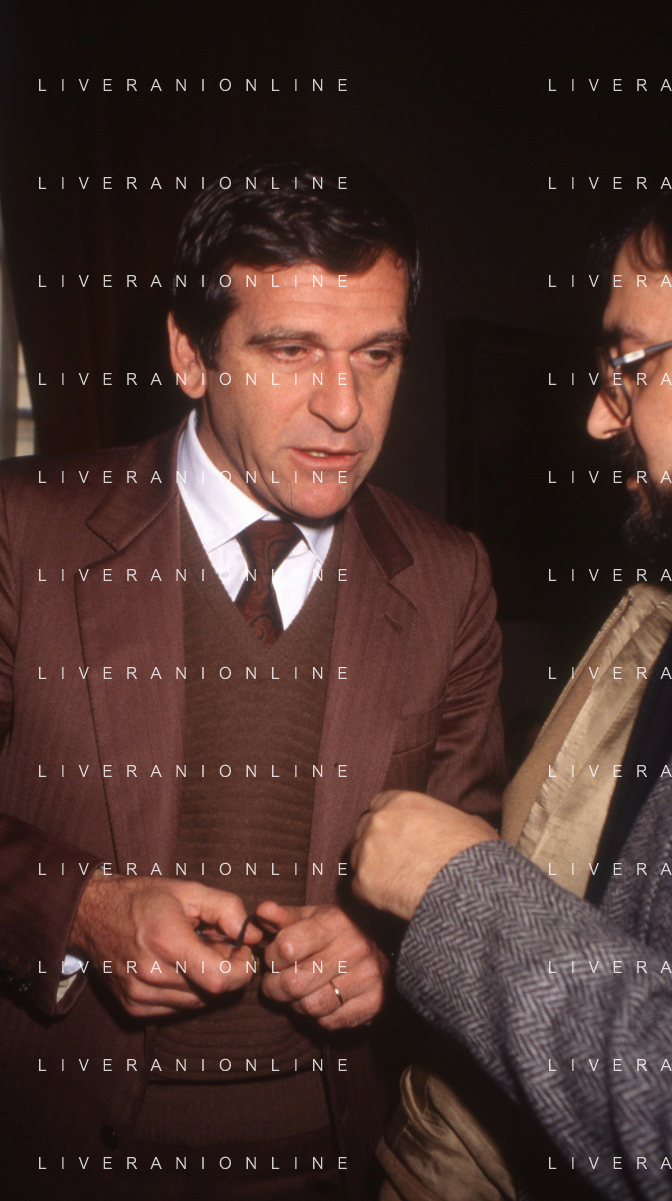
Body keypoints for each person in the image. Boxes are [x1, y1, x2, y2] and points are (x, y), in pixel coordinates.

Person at [0, 154, 505, 1201]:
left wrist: (386, 947)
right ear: (190, 356)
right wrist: (81, 910)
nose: (345, 408)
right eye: (291, 350)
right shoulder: (25, 527)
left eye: (376, 356)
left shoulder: (450, 576)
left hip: (338, 1160)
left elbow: (468, 860)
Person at [351, 194, 672, 1201]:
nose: (598, 415)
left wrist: (459, 891)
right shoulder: (646, 630)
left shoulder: (453, 574)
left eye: (630, 363)